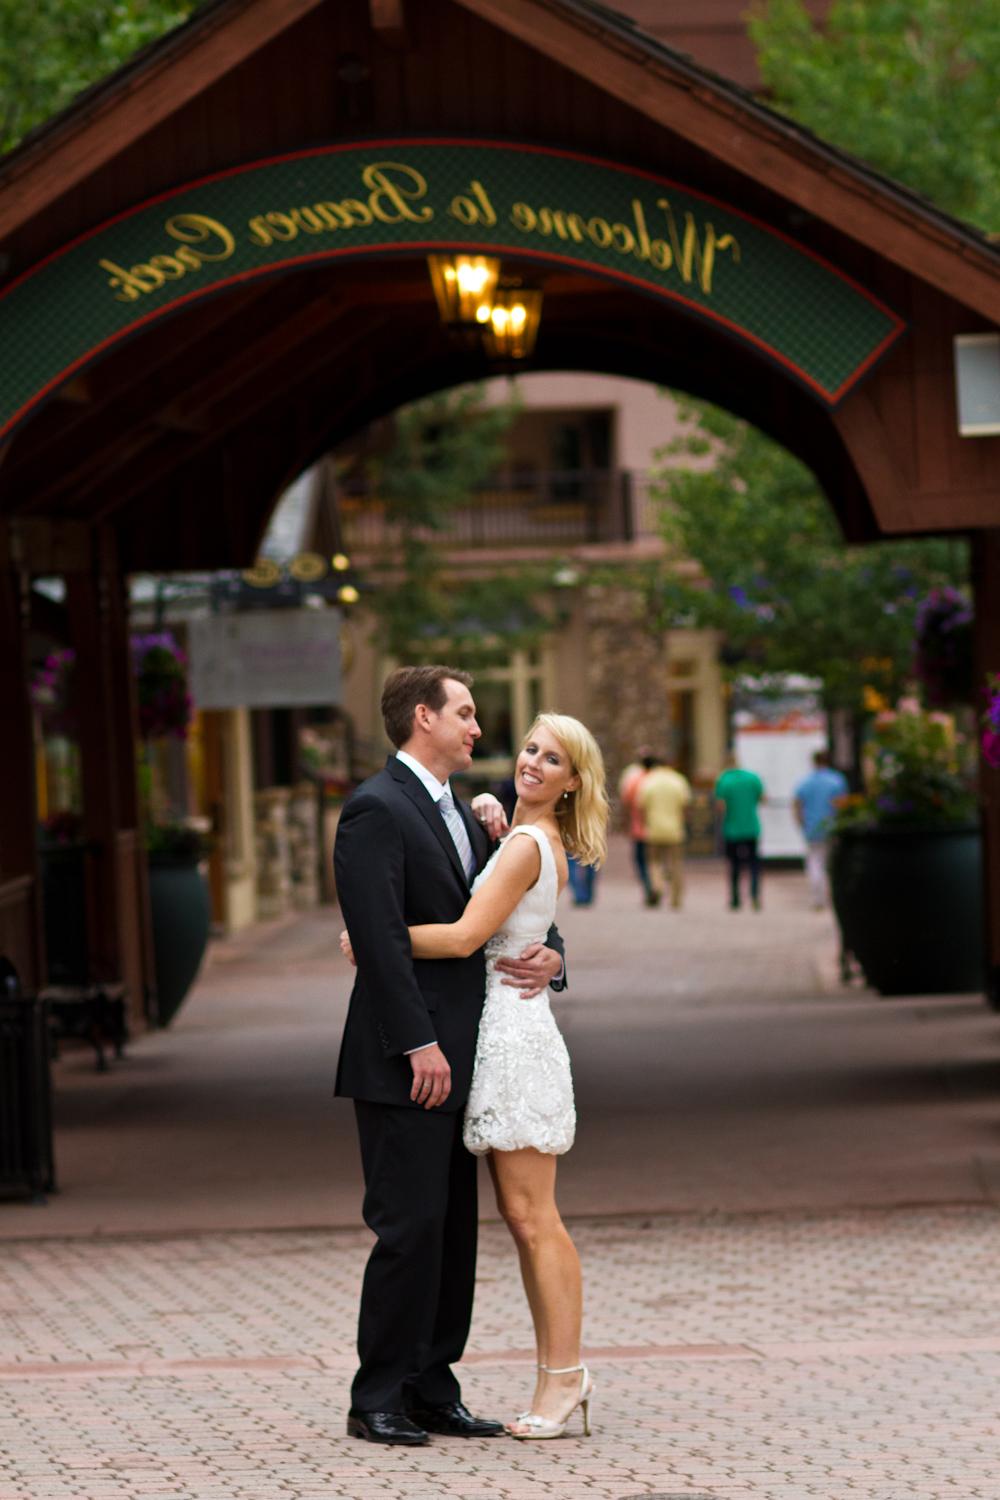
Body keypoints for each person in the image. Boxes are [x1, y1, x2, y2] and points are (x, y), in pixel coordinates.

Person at [333, 666, 566, 1447]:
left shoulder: (465, 814)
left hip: (471, 1052)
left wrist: (554, 956)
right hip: (406, 1054)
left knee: (453, 1230)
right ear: (423, 718)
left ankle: (434, 1386)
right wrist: (418, 1043)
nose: (477, 726)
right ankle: (378, 1398)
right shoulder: (374, 808)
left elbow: (500, 913)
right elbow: (381, 941)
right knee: (409, 1226)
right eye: (464, 713)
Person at [406, 711, 608, 1439]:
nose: (532, 763)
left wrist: (375, 938)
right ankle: (558, 1373)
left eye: (551, 759)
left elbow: (465, 935)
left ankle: (564, 1376)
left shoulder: (527, 843)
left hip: (516, 1039)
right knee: (525, 1222)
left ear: (571, 780)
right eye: (529, 749)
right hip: (503, 1030)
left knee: (533, 1219)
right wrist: (490, 817)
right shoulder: (519, 834)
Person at [794, 749, 849, 909]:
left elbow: (797, 805)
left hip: (812, 828)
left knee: (814, 862)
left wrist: (801, 823)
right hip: (832, 827)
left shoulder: (805, 782)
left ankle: (817, 898)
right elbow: (842, 804)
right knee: (830, 864)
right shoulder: (837, 780)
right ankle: (830, 896)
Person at [637, 754, 692, 909]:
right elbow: (686, 805)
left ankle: (658, 885)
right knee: (676, 864)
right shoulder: (678, 781)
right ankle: (676, 898)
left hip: (654, 829)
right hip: (675, 830)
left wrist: (645, 823)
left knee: (654, 862)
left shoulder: (649, 781)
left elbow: (641, 806)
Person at [714, 753, 765, 910]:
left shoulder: (724, 780)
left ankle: (736, 898)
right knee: (754, 863)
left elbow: (721, 806)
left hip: (732, 828)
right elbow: (763, 799)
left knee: (734, 864)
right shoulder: (752, 778)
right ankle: (755, 895)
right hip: (751, 826)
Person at [618, 747, 656, 906]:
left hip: (639, 828)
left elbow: (627, 801)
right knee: (655, 860)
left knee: (641, 860)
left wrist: (626, 823)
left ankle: (649, 885)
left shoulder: (634, 779)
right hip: (658, 829)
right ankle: (655, 885)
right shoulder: (659, 778)